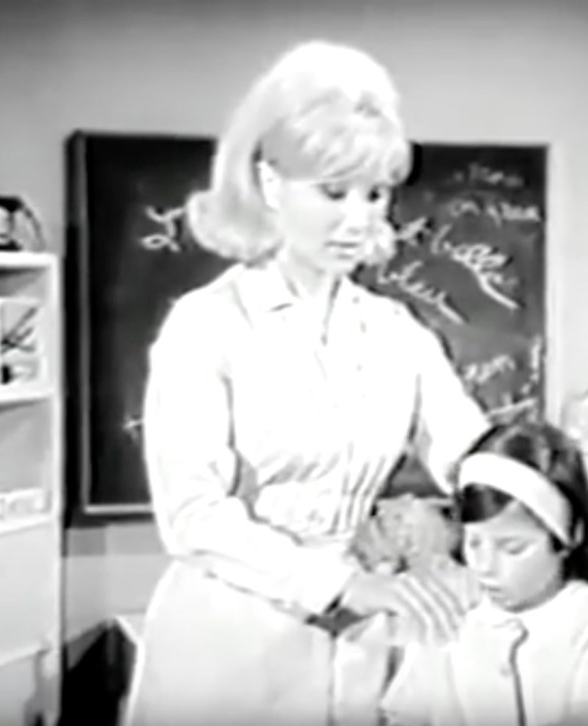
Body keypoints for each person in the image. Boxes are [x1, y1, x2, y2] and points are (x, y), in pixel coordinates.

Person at [123, 39, 489, 726]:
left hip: (353, 643)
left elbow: (470, 455)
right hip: (228, 643)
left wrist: (529, 488)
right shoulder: (207, 325)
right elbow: (193, 516)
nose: (358, 218)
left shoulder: (396, 332)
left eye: (375, 194)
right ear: (269, 185)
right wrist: (343, 583)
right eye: (333, 192)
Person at [381, 420, 588, 726]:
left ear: (570, 536)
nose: (485, 566)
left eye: (512, 549)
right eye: (474, 543)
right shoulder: (447, 615)